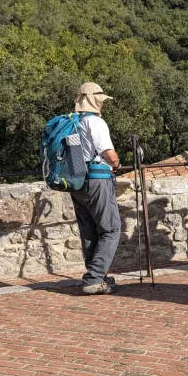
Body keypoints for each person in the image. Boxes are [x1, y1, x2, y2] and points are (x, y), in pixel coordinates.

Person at [71, 82, 121, 295]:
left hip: (77, 181)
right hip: (98, 179)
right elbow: (110, 155)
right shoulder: (95, 122)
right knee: (111, 229)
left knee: (89, 231)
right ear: (94, 100)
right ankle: (94, 279)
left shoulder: (73, 122)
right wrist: (116, 163)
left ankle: (97, 275)